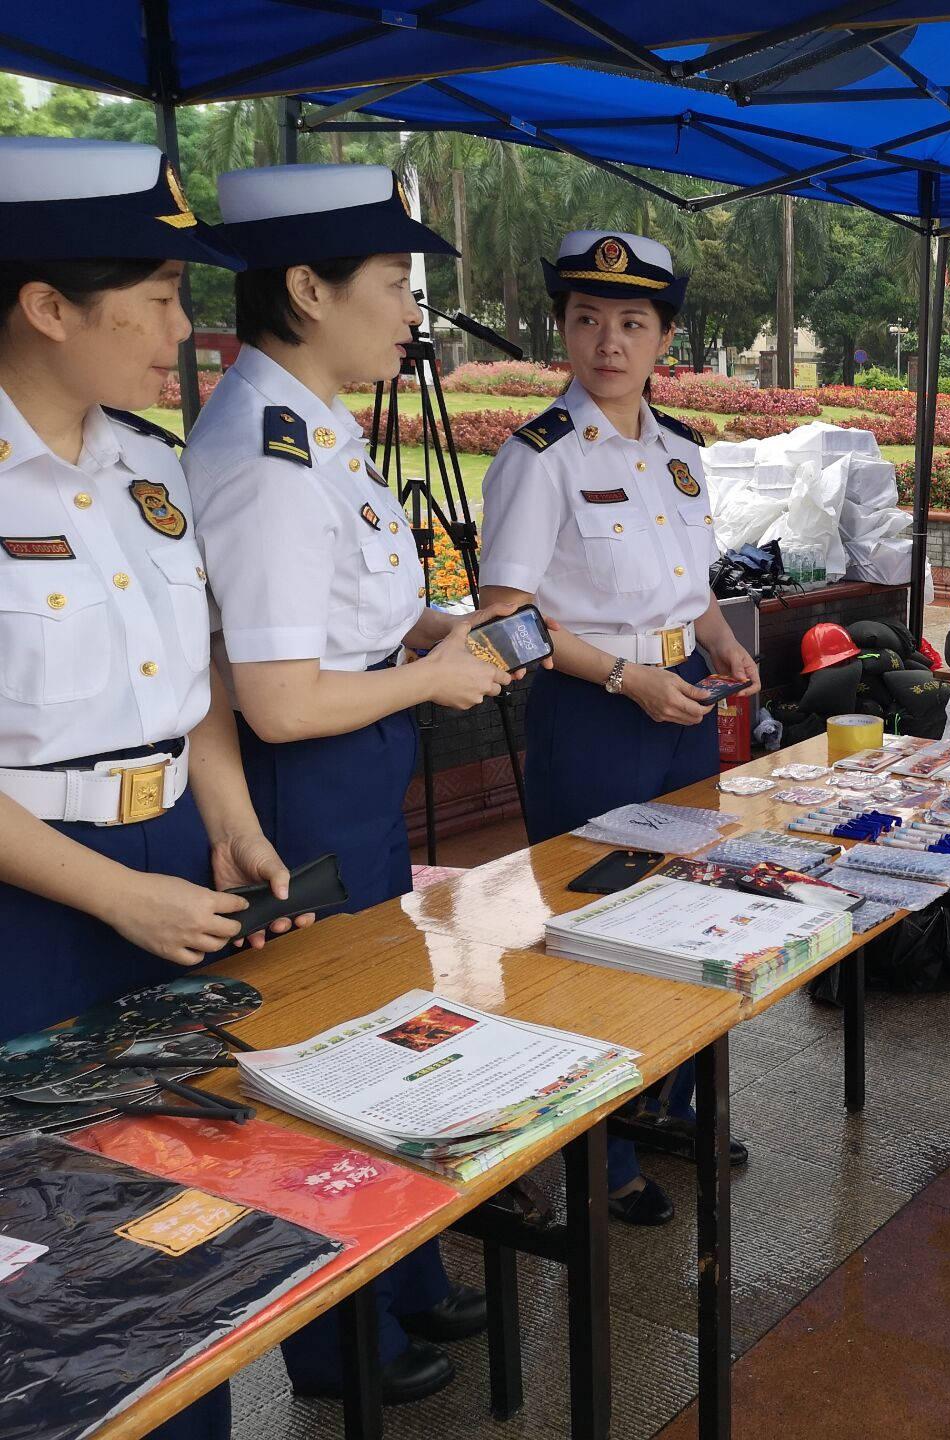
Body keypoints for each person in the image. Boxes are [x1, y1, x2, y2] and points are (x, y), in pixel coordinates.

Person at [185, 163, 519, 1406]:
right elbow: (275, 695)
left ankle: (402, 1277)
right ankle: (340, 1342)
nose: (409, 314)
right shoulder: (267, 455)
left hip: (353, 759)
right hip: (301, 781)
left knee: (380, 1033)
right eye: (393, 285)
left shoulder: (319, 425)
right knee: (322, 1052)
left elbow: (339, 621)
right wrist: (428, 681)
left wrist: (433, 630)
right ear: (308, 288)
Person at [0, 136, 312, 1440]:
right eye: (162, 298)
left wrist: (230, 827)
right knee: (57, 1246)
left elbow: (195, 692)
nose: (187, 329)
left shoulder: (146, 463)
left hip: (171, 867)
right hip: (36, 916)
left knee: (190, 1202)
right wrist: (118, 898)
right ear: (50, 305)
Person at [478, 230, 761, 1225]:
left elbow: (695, 589)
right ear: (564, 329)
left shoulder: (680, 453)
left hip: (680, 694)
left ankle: (665, 1104)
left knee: (687, 906)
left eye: (632, 323)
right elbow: (505, 622)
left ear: (663, 338)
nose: (609, 341)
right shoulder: (538, 457)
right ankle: (596, 1157)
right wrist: (628, 678)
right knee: (592, 931)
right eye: (587, 319)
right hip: (593, 709)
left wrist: (721, 643)